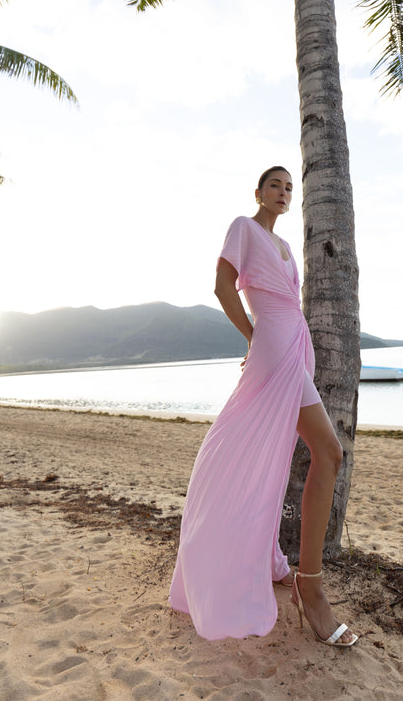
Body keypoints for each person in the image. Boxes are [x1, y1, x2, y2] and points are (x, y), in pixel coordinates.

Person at [169, 166, 357, 646]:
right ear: (258, 192)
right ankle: (309, 589)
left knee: (280, 456)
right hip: (274, 346)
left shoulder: (287, 248)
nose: (283, 192)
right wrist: (254, 338)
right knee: (329, 453)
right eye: (275, 184)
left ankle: (277, 563)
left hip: (295, 345)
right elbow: (222, 286)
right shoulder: (243, 228)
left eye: (289, 187)